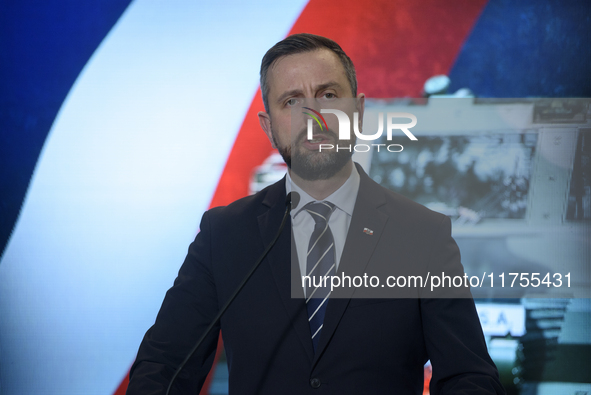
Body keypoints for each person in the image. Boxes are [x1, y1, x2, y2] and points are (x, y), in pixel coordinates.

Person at [127, 33, 505, 394]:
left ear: (357, 111)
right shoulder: (223, 233)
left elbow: (468, 376)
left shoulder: (422, 234)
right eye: (291, 101)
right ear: (269, 125)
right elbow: (164, 366)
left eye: (327, 94)